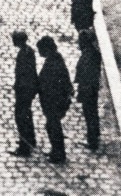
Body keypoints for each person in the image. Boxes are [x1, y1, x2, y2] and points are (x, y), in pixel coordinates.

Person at [37, 35, 73, 164]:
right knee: (51, 126)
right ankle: (56, 150)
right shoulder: (55, 58)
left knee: (53, 127)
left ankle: (58, 153)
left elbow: (51, 84)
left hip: (54, 102)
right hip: (54, 101)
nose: (39, 52)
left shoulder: (53, 63)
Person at [11, 30, 38, 156]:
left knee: (21, 117)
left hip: (23, 90)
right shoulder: (29, 51)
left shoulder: (23, 54)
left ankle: (24, 147)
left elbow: (23, 74)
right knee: (26, 114)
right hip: (28, 89)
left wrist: (18, 86)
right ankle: (30, 140)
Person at [75, 30, 102, 152]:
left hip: (88, 90)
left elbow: (85, 75)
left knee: (89, 114)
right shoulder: (94, 53)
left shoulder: (87, 56)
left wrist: (81, 92)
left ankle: (92, 141)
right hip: (93, 88)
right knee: (93, 112)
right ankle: (95, 135)